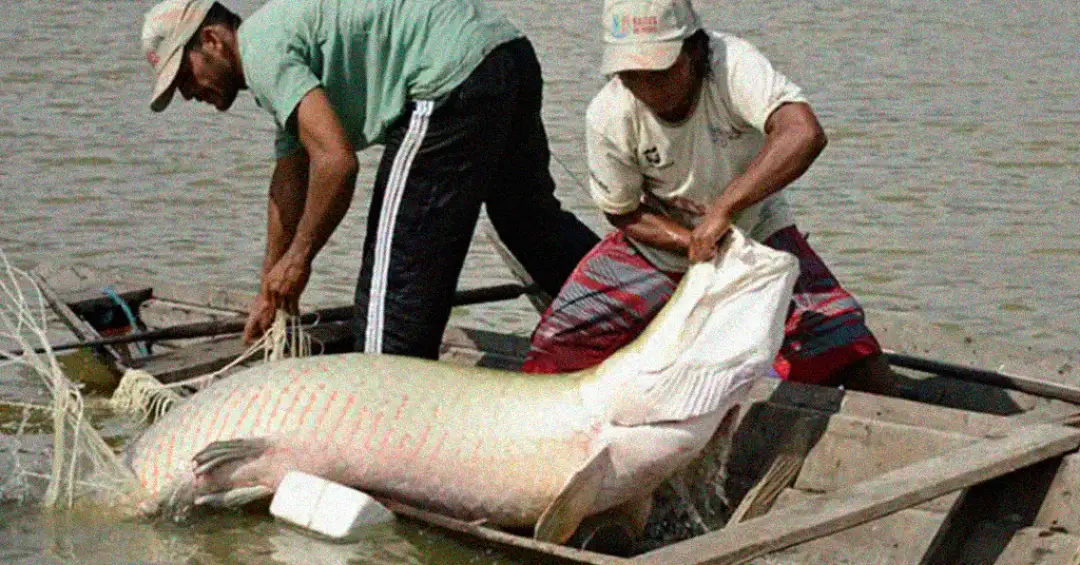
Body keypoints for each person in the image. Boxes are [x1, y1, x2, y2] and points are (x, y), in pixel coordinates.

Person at [140, 0, 599, 359]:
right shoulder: (274, 38)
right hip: (506, 52)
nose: (188, 94)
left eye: (184, 76)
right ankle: (630, 308)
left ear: (213, 41)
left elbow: (336, 164)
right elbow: (290, 175)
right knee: (530, 223)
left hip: (447, 77)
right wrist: (268, 287)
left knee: (390, 305)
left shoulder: (261, 51)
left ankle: (389, 426)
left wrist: (298, 261)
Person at [521, 0, 903, 394]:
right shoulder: (608, 114)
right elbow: (624, 213)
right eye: (632, 76)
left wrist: (725, 210)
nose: (648, 89)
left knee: (849, 350)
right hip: (658, 244)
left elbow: (802, 132)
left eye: (661, 72)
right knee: (555, 348)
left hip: (754, 231)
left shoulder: (731, 65)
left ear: (695, 51)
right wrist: (692, 241)